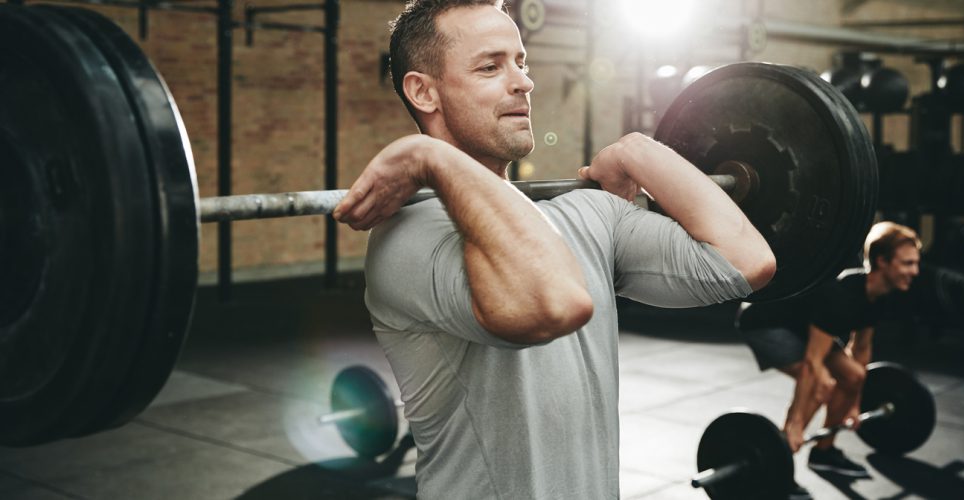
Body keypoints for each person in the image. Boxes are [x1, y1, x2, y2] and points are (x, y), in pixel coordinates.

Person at [333, 1, 775, 497]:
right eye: (490, 66)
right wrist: (430, 155)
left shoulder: (585, 213)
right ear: (423, 92)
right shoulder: (409, 239)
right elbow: (553, 304)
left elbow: (746, 262)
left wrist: (638, 150)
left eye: (521, 62)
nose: (524, 82)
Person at [737, 221, 921, 499]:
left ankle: (823, 452)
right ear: (882, 262)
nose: (914, 271)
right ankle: (779, 466)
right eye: (907, 263)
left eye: (915, 263)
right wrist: (797, 422)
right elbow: (813, 364)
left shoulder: (878, 294)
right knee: (821, 383)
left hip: (803, 322)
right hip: (765, 320)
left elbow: (861, 350)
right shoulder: (841, 297)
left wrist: (855, 404)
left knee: (854, 377)